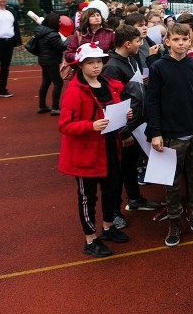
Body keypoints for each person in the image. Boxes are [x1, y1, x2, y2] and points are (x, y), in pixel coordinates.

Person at [57, 43, 129, 257]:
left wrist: (124, 114)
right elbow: (64, 125)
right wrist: (91, 126)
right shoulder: (74, 92)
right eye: (91, 63)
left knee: (112, 190)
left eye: (98, 62)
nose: (96, 66)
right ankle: (90, 239)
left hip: (109, 147)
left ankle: (108, 227)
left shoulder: (109, 84)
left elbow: (113, 109)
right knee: (88, 197)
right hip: (85, 153)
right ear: (80, 65)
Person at [145, 23, 193, 247]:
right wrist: (156, 132)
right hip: (169, 136)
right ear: (168, 42)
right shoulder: (158, 68)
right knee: (172, 183)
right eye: (176, 40)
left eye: (185, 39)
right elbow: (152, 102)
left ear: (191, 39)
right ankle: (174, 220)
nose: (181, 43)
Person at [100, 24, 159, 214]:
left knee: (130, 166)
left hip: (137, 124)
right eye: (137, 41)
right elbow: (111, 103)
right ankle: (114, 213)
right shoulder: (111, 67)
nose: (140, 43)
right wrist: (124, 132)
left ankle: (134, 198)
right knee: (117, 171)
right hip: (124, 129)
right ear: (127, 43)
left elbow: (132, 88)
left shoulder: (131, 59)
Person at [34, 12, 68, 115]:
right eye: (58, 21)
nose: (59, 23)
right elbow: (61, 47)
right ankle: (55, 108)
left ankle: (42, 105)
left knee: (46, 82)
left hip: (43, 59)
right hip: (51, 60)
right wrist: (69, 40)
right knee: (58, 83)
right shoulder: (53, 35)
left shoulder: (41, 31)